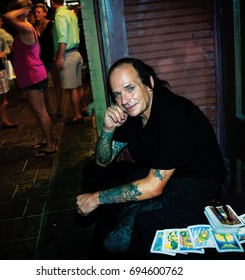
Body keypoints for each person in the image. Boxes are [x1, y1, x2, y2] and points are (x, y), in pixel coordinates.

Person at [76, 58, 226, 253]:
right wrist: (107, 129)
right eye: (117, 94)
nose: (124, 100)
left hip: (193, 184)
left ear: (149, 83)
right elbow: (102, 161)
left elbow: (154, 186)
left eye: (130, 88)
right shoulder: (132, 111)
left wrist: (96, 198)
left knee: (116, 242)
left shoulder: (173, 115)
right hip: (156, 173)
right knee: (93, 172)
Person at [4, 1, 56, 157]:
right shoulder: (27, 27)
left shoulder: (26, 27)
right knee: (39, 111)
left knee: (41, 112)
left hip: (32, 75)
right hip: (32, 74)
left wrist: (24, 8)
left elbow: (7, 16)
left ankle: (50, 145)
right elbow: (38, 50)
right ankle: (47, 140)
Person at [51, 0, 87, 125]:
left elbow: (63, 38)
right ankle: (83, 108)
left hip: (68, 55)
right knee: (78, 85)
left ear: (52, 2)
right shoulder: (71, 13)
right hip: (76, 52)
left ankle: (77, 115)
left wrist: (60, 57)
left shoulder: (59, 15)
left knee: (71, 89)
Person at [33, 3, 63, 117]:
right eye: (35, 12)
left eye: (39, 12)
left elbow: (55, 41)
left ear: (45, 13)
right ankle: (48, 109)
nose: (36, 14)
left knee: (56, 84)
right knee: (44, 86)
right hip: (41, 60)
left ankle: (59, 107)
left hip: (52, 57)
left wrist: (57, 57)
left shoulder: (51, 25)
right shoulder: (34, 26)